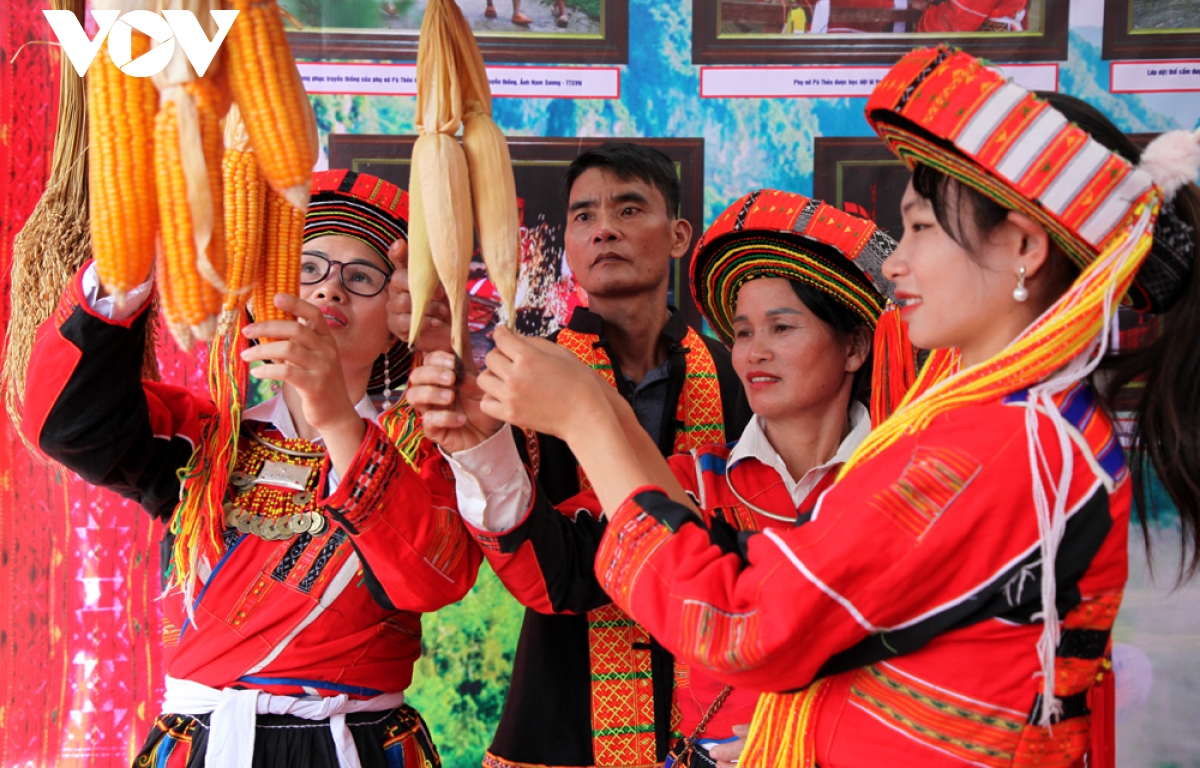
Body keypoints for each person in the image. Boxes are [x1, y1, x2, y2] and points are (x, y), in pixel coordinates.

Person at [460, 46, 1200, 766]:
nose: (898, 262)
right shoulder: (1028, 430)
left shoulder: (997, 446)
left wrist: (590, 420)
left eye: (921, 227)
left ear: (1025, 250)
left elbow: (745, 624)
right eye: (744, 331)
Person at [410, 189, 907, 766]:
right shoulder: (693, 482)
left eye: (781, 328)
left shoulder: (903, 485)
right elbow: (555, 572)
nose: (754, 353)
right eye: (744, 332)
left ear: (854, 347)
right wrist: (483, 446)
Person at [22, 169, 481, 767]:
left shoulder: (429, 448)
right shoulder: (206, 442)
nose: (329, 289)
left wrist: (337, 417)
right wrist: (129, 268)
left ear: (399, 323)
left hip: (357, 745)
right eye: (308, 269)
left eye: (361, 277)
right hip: (207, 744)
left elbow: (434, 578)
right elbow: (68, 425)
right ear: (265, 300)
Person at [387, 142, 751, 768]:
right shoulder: (523, 375)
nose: (604, 228)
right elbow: (541, 567)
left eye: (629, 209)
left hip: (720, 721)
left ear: (679, 235)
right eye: (584, 216)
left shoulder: (739, 373)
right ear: (569, 245)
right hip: (563, 717)